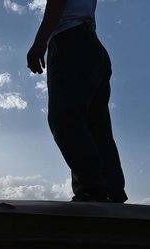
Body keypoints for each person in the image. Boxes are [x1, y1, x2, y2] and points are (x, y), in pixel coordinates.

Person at [27, 0, 128, 203]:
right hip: (91, 46)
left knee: (64, 118)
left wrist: (39, 44)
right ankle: (112, 187)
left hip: (70, 40)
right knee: (96, 126)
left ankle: (92, 187)